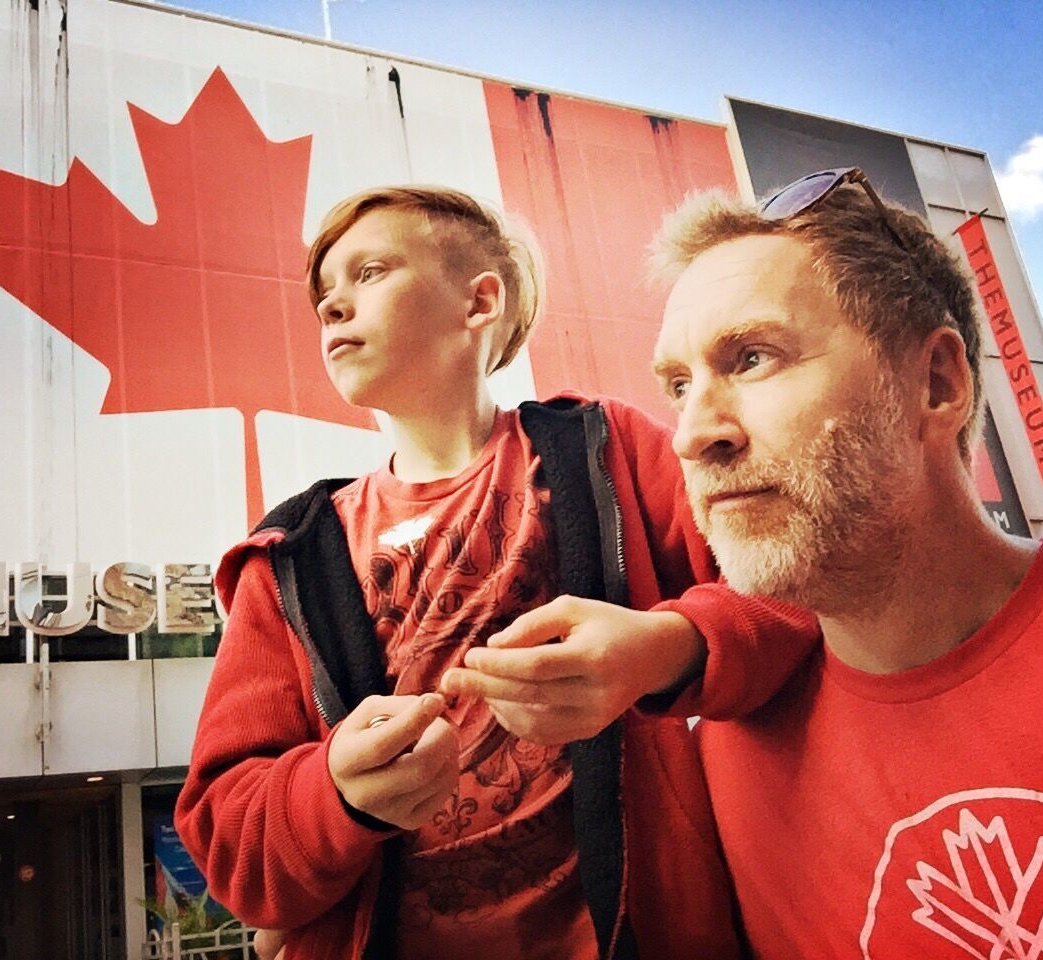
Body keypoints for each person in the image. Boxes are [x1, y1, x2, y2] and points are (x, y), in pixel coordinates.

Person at [452, 169, 1043, 958]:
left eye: (753, 358)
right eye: (680, 385)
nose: (693, 434)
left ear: (937, 382)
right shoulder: (719, 761)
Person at [174, 185, 817, 960]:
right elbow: (228, 844)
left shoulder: (605, 448)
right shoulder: (288, 559)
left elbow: (791, 592)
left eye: (369, 273)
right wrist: (334, 793)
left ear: (480, 302)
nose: (332, 308)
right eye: (324, 297)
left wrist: (664, 647)